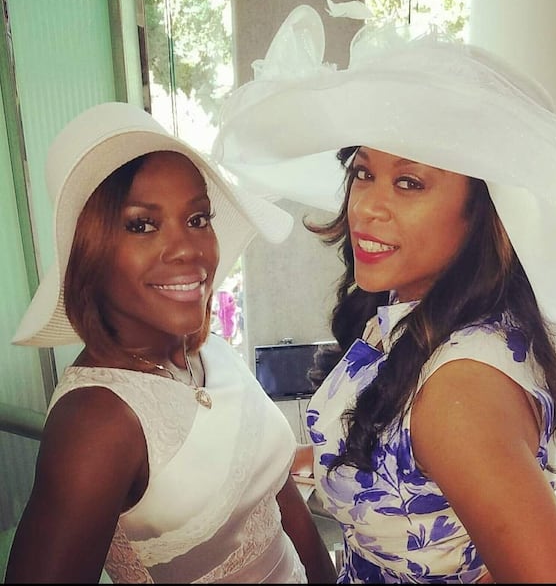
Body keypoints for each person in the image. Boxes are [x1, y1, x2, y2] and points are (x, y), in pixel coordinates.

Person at [211, 2, 556, 584]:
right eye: (363, 172)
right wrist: (308, 461)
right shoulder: (440, 318)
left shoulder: (457, 391)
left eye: (409, 182)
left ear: (484, 210)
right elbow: (421, 479)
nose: (366, 206)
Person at [6, 102, 337, 584]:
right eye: (142, 224)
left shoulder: (207, 351)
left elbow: (276, 491)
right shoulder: (96, 423)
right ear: (89, 251)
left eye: (198, 218)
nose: (187, 247)